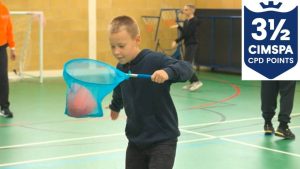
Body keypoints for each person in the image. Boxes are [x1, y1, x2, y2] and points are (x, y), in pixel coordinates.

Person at [108, 15, 193, 169]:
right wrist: (115, 106)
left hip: (162, 140)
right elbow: (119, 89)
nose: (116, 51)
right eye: (112, 46)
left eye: (121, 46)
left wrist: (168, 72)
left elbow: (187, 68)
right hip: (135, 141)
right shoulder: (120, 68)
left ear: (137, 40)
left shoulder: (154, 60)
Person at [171, 4, 202, 92]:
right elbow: (184, 34)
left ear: (192, 11)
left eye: (186, 10)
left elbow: (189, 33)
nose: (184, 11)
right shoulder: (185, 21)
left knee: (186, 64)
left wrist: (179, 27)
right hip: (187, 44)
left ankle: (196, 81)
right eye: (184, 9)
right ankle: (192, 82)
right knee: (186, 63)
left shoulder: (195, 21)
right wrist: (176, 41)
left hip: (193, 44)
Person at [0, 1, 16, 118]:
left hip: (1, 48)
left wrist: (12, 47)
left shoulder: (4, 9)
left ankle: (4, 107)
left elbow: (9, 29)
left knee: (3, 78)